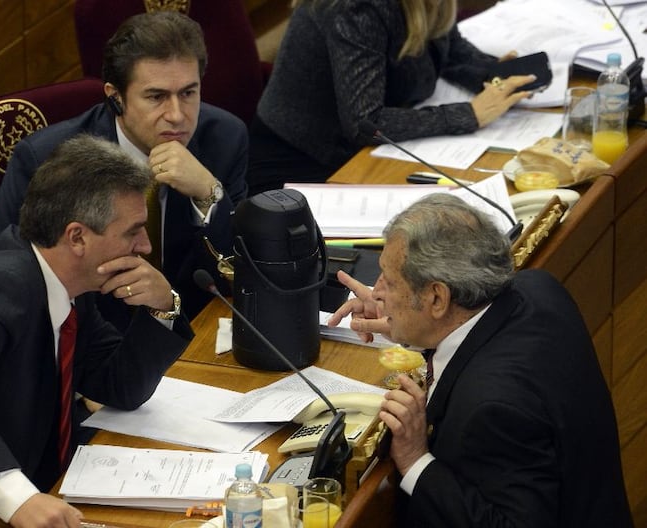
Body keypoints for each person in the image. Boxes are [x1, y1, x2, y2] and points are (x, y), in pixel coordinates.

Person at [0, 135, 194, 528]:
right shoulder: (2, 284)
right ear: (77, 236)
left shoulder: (75, 284)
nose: (145, 246)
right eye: (133, 231)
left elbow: (119, 387)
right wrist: (13, 493)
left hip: (39, 476)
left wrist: (163, 308)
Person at [328, 194, 633, 527]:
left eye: (388, 279)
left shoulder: (493, 406)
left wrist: (416, 461)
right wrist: (406, 322)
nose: (378, 290)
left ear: (437, 298)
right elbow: (469, 339)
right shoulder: (537, 288)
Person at [0, 10, 248, 323]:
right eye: (156, 96)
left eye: (188, 93)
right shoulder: (46, 160)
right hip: (89, 338)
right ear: (115, 97)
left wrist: (208, 193)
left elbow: (239, 274)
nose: (177, 115)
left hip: (188, 326)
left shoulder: (224, 138)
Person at [247, 0, 535, 194]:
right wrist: (470, 114)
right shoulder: (355, 8)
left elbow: (449, 50)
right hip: (303, 163)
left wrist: (492, 74)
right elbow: (366, 123)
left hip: (360, 153)